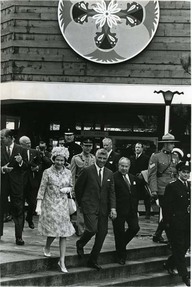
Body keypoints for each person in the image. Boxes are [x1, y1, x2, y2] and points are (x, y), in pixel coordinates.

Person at [75, 148, 117, 270]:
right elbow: (79, 188)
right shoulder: (87, 171)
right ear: (95, 158)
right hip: (89, 206)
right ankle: (80, 243)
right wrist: (81, 203)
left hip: (103, 208)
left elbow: (112, 192)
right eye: (100, 158)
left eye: (104, 158)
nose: (102, 161)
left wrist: (113, 208)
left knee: (102, 234)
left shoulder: (109, 173)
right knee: (92, 229)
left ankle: (93, 260)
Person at [35, 147, 75, 273]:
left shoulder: (68, 172)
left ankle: (62, 261)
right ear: (53, 159)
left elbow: (71, 186)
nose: (59, 162)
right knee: (53, 231)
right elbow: (42, 188)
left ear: (65, 160)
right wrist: (38, 205)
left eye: (62, 160)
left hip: (62, 205)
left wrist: (68, 189)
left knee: (63, 233)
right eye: (57, 160)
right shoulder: (47, 172)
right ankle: (47, 246)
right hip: (50, 204)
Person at [163, 161, 191, 286]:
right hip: (176, 223)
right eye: (183, 172)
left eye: (187, 172)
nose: (186, 174)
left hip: (188, 223)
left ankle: (169, 263)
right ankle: (185, 276)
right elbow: (166, 207)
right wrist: (167, 223)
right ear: (179, 172)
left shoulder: (189, 186)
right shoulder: (172, 186)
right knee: (179, 247)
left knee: (186, 245)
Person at [148, 133, 179, 243]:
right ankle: (171, 239)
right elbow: (152, 174)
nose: (173, 146)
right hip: (162, 190)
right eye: (171, 143)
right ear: (165, 144)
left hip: (173, 189)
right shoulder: (156, 156)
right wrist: (154, 190)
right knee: (167, 213)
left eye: (173, 144)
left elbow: (177, 174)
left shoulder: (175, 156)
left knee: (170, 214)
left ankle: (158, 234)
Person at [1, 129, 27, 245]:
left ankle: (19, 237)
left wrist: (21, 162)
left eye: (2, 137)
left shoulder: (21, 149)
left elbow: (26, 166)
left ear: (10, 137)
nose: (1, 139)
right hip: (2, 184)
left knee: (18, 209)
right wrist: (2, 169)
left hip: (16, 185)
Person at [113, 157, 140, 265]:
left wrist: (136, 209)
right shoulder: (113, 177)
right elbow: (112, 195)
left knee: (135, 228)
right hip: (118, 210)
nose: (124, 168)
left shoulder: (133, 178)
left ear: (129, 167)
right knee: (119, 232)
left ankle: (120, 245)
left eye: (126, 166)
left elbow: (135, 195)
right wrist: (112, 208)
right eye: (122, 166)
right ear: (118, 166)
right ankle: (121, 256)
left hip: (131, 209)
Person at [71, 138, 96, 236]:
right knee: (80, 208)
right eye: (86, 145)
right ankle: (81, 231)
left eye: (90, 146)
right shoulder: (76, 158)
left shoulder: (94, 158)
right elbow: (72, 174)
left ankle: (88, 229)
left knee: (90, 209)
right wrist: (72, 189)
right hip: (80, 187)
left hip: (91, 187)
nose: (88, 148)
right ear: (82, 146)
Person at [19, 136, 42, 229]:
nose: (29, 144)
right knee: (20, 204)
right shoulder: (18, 152)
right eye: (26, 143)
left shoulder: (35, 152)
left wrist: (37, 168)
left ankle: (29, 218)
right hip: (22, 181)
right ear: (21, 144)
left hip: (32, 181)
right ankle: (21, 223)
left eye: (29, 142)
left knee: (32, 203)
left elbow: (40, 163)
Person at [130, 142, 151, 219]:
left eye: (139, 147)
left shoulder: (146, 158)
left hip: (143, 180)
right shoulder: (131, 158)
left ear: (142, 148)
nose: (137, 149)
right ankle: (134, 212)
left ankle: (147, 213)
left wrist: (143, 174)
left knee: (146, 197)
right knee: (134, 197)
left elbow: (149, 169)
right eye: (136, 147)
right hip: (134, 180)